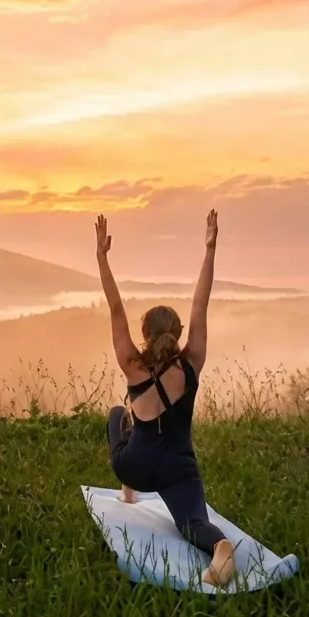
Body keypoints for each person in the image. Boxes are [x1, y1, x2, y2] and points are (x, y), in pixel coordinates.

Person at [97, 209, 236, 587]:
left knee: (116, 415)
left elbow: (114, 309)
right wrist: (209, 250)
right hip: (179, 467)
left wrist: (102, 259)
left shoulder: (133, 366)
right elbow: (200, 304)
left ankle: (128, 494)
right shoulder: (191, 364)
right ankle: (221, 549)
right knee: (194, 525)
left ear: (145, 335)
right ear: (177, 333)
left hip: (136, 467)